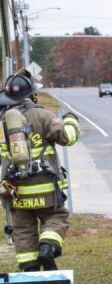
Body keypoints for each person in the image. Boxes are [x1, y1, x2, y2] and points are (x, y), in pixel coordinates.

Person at [0, 72, 80, 271]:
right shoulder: (42, 115)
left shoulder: (1, 121)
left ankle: (30, 270)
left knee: (23, 230)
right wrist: (70, 120)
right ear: (31, 94)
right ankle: (47, 247)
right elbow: (68, 137)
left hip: (15, 192)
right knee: (56, 218)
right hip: (46, 190)